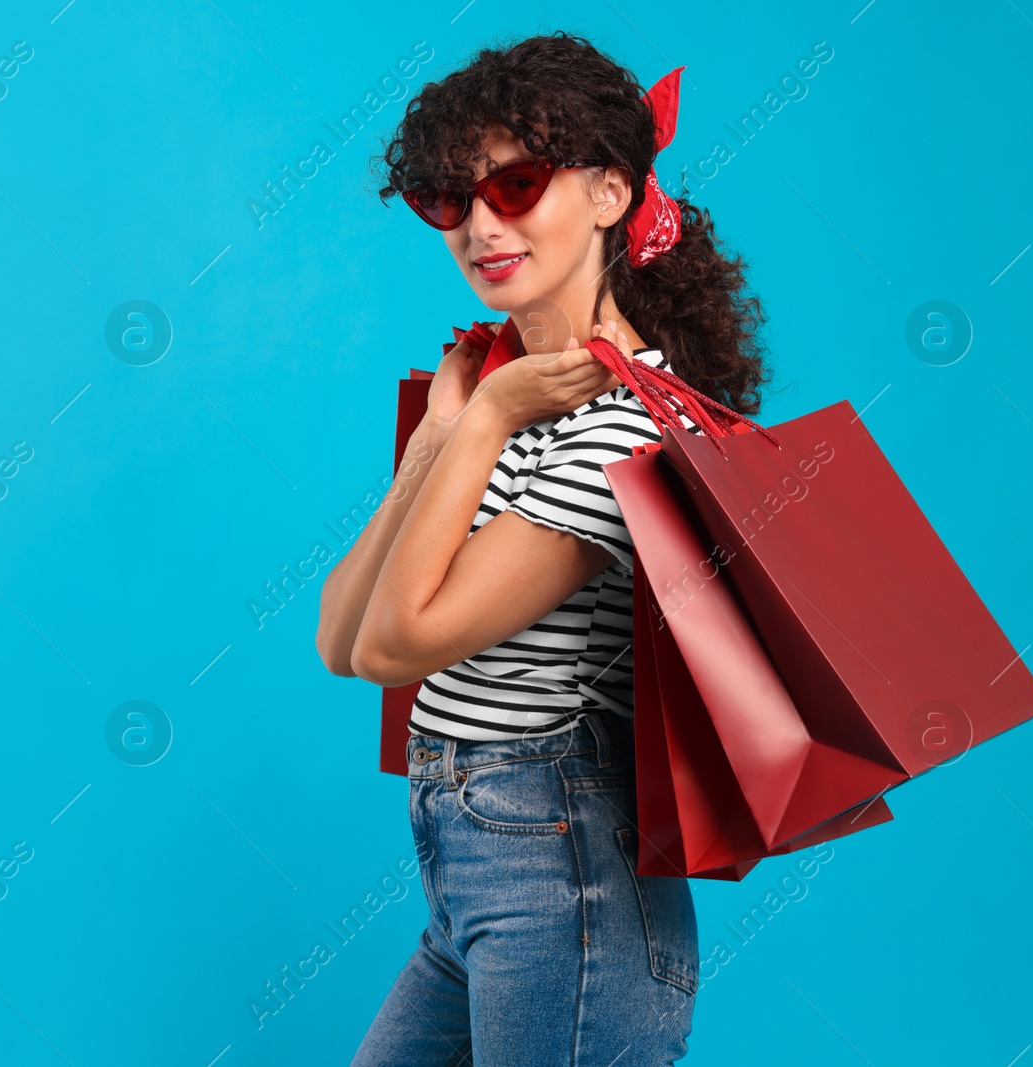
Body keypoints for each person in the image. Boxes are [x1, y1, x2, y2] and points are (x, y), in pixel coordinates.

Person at [314, 32, 771, 1066]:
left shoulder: (626, 431)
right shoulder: (509, 403)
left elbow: (398, 646)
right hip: (472, 875)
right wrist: (441, 433)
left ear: (611, 192)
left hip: (564, 875)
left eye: (516, 184)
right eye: (448, 199)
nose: (480, 225)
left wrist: (474, 428)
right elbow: (338, 635)